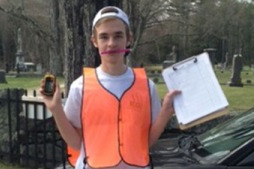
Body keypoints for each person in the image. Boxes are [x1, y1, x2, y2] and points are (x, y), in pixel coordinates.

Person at [40, 6, 180, 169]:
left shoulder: (146, 87)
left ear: (128, 39)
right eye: (104, 37)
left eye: (118, 36)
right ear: (94, 41)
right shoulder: (80, 87)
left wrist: (165, 114)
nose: (111, 43)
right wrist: (56, 108)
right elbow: (76, 143)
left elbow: (145, 142)